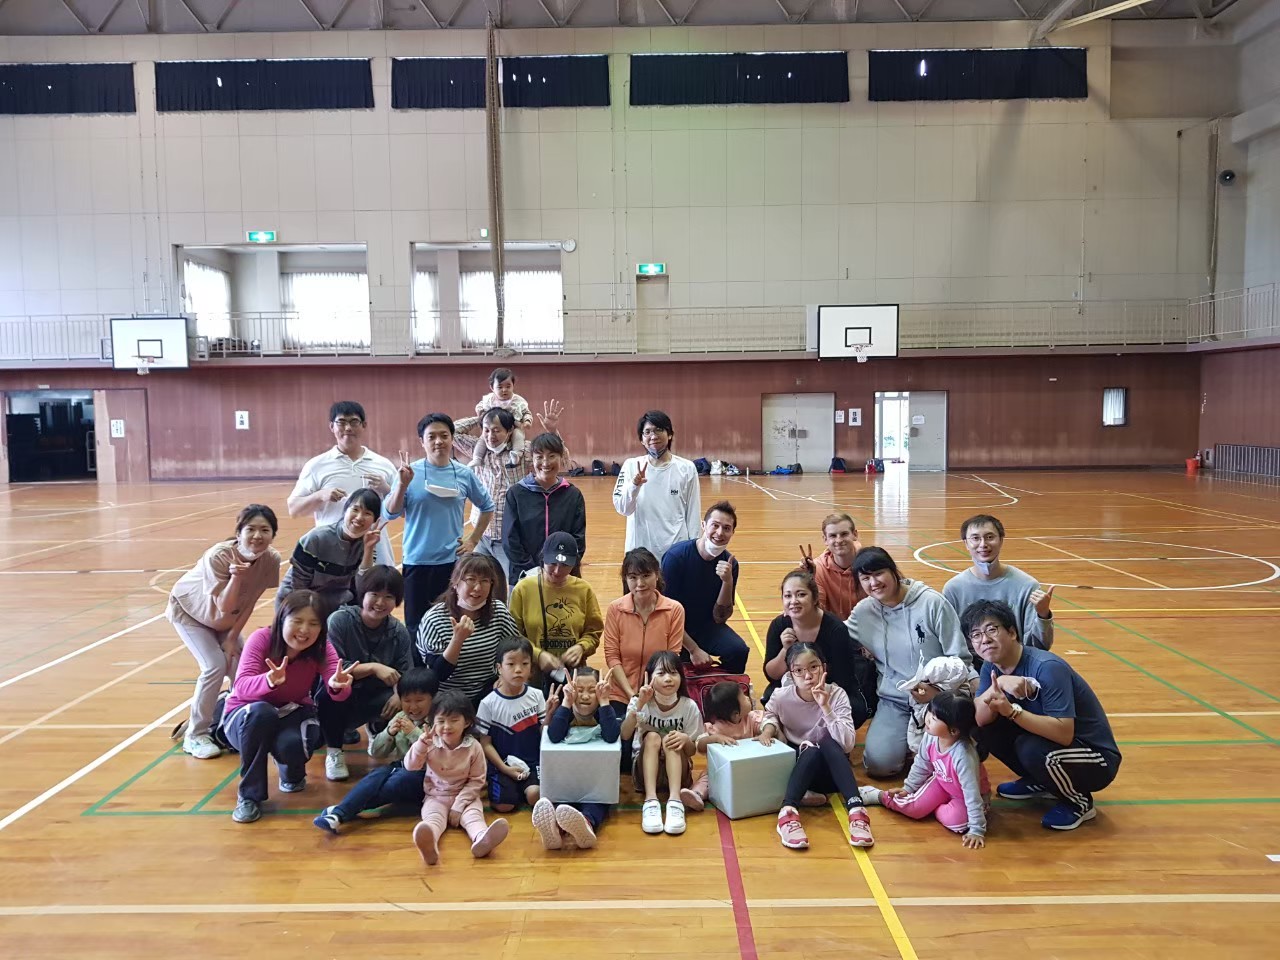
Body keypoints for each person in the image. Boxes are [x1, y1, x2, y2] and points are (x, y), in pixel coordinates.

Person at [966, 599, 1122, 831]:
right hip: (1052, 743)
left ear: (1012, 633)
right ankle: (1042, 782)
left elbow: (1063, 734)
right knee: (985, 728)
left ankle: (1079, 802)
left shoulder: (1047, 667)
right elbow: (979, 719)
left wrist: (1012, 712)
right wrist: (1002, 683)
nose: (985, 640)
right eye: (976, 635)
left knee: (1033, 749)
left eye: (992, 629)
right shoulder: (992, 665)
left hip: (1095, 757)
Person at [221, 589, 356, 824]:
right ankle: (249, 797)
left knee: (294, 746)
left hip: (291, 711)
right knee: (261, 712)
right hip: (246, 716)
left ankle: (291, 770)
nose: (304, 630)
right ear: (282, 618)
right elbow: (241, 686)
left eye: (313, 623)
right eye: (297, 621)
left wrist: (338, 686)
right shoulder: (261, 639)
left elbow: (339, 693)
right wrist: (268, 681)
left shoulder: (322, 648)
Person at [846, 546, 973, 779]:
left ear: (893, 571)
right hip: (893, 701)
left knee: (944, 767)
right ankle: (907, 747)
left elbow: (961, 660)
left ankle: (923, 745)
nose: (873, 583)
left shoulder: (932, 603)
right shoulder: (863, 612)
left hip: (937, 700)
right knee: (879, 765)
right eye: (865, 578)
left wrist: (937, 692)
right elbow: (835, 635)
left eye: (879, 573)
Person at [167, 504, 282, 760]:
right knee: (214, 666)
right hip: (190, 614)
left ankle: (229, 721)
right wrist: (236, 577)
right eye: (250, 529)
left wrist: (232, 638)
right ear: (239, 532)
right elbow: (224, 605)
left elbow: (251, 601)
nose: (257, 536)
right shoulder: (218, 556)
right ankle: (195, 735)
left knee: (242, 669)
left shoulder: (271, 560)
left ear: (273, 535)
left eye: (265, 530)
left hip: (224, 622)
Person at [384, 413, 495, 645]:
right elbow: (390, 513)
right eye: (431, 436)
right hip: (417, 562)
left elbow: (487, 507)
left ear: (452, 439)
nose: (438, 441)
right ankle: (418, 668)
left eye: (444, 436)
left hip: (452, 564)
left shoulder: (464, 474)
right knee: (415, 625)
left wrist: (473, 540)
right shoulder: (409, 473)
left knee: (450, 622)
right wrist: (402, 485)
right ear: (422, 441)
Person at [760, 643, 874, 849]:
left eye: (813, 667)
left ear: (824, 667)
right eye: (799, 670)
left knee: (826, 741)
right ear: (791, 673)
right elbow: (769, 714)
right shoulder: (781, 696)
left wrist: (825, 707)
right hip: (800, 769)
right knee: (811, 750)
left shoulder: (836, 694)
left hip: (832, 771)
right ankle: (788, 813)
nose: (808, 676)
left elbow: (847, 744)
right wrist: (768, 729)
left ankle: (856, 810)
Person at [312, 666, 440, 834]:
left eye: (419, 700)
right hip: (401, 766)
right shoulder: (401, 717)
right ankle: (339, 814)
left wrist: (413, 733)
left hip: (428, 776)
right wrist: (389, 733)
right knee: (377, 774)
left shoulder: (439, 721)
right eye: (407, 700)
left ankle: (342, 810)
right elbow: (376, 753)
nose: (413, 706)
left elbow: (440, 754)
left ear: (433, 698)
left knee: (397, 780)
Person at [316, 565, 414, 781]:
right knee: (329, 694)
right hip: (341, 694)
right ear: (363, 594)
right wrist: (373, 667)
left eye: (388, 597)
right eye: (374, 594)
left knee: (403, 698)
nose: (380, 602)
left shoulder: (398, 631)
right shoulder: (340, 621)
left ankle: (377, 729)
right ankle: (334, 751)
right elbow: (335, 671)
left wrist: (399, 695)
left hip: (375, 694)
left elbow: (406, 672)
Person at [453, 400, 564, 591]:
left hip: (510, 539)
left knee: (516, 589)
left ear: (510, 430)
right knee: (480, 588)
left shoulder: (522, 452)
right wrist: (481, 417)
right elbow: (453, 432)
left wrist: (553, 432)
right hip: (481, 536)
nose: (490, 436)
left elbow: (563, 458)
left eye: (496, 430)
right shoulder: (478, 450)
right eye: (486, 430)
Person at [861, 691, 990, 848]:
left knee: (959, 824)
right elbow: (922, 764)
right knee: (915, 809)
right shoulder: (931, 736)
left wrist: (977, 830)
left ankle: (934, 807)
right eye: (930, 711)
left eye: (934, 718)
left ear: (953, 731)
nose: (927, 718)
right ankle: (879, 796)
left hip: (964, 795)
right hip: (942, 782)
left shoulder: (963, 756)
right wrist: (908, 788)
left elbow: (972, 794)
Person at [403, 690, 510, 864]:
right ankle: (429, 843)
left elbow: (477, 780)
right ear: (433, 722)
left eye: (454, 720)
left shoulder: (474, 747)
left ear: (466, 722)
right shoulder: (428, 743)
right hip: (436, 797)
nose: (447, 726)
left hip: (466, 797)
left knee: (473, 818)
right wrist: (421, 745)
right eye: (441, 721)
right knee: (433, 820)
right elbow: (410, 766)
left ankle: (482, 839)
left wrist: (459, 805)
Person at [287, 400, 398, 566]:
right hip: (331, 554)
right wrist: (320, 495)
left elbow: (404, 509)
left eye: (354, 422)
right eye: (341, 422)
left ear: (364, 425)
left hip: (375, 550)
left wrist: (387, 489)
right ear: (332, 426)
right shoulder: (316, 466)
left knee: (376, 583)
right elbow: (294, 510)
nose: (348, 428)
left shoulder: (383, 465)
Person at [762, 568, 875, 726]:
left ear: (815, 598)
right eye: (788, 596)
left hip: (828, 687)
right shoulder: (779, 625)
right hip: (795, 687)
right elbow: (772, 676)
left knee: (855, 709)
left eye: (801, 594)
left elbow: (843, 678)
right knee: (769, 698)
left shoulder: (835, 629)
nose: (793, 601)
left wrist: (814, 695)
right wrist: (785, 649)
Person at [943, 514, 1055, 663]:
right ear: (966, 543)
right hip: (971, 667)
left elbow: (1040, 647)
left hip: (1015, 666)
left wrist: (1043, 615)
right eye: (975, 538)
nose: (983, 544)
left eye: (990, 537)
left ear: (1001, 540)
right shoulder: (953, 589)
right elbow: (951, 642)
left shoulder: (1027, 585)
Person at [533, 666, 620, 850]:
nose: (585, 696)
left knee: (597, 802)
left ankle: (586, 824)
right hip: (566, 780)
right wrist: (566, 702)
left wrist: (604, 701)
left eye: (592, 690)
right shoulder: (566, 712)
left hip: (596, 782)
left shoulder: (603, 712)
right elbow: (554, 736)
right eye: (579, 690)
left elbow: (612, 736)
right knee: (562, 803)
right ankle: (555, 830)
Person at [416, 554, 520, 707]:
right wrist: (457, 640)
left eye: (485, 581)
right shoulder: (434, 619)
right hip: (448, 700)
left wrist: (505, 676)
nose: (477, 588)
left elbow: (515, 648)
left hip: (488, 693)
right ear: (455, 583)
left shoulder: (498, 611)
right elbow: (437, 674)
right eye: (471, 579)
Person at [620, 651, 703, 836]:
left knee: (671, 739)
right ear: (649, 676)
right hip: (644, 774)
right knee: (652, 737)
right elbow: (625, 734)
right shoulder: (639, 702)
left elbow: (691, 751)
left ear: (681, 677)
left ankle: (675, 801)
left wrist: (685, 739)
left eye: (673, 673)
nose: (668, 678)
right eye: (661, 673)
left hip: (679, 775)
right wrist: (639, 704)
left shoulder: (689, 706)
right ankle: (650, 801)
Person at [661, 501, 749, 674]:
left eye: (726, 528)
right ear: (703, 525)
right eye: (715, 525)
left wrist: (727, 582)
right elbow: (666, 615)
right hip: (673, 629)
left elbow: (720, 617)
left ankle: (724, 688)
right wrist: (694, 649)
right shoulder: (676, 557)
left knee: (738, 651)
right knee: (676, 669)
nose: (720, 533)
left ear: (732, 532)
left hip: (706, 627)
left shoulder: (731, 564)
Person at [602, 548, 686, 725]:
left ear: (657, 575)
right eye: (633, 577)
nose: (640, 583)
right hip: (620, 694)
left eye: (646, 575)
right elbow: (612, 656)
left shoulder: (674, 610)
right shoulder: (615, 609)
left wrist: (650, 693)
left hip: (660, 693)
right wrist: (632, 695)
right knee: (619, 737)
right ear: (626, 579)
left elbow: (672, 657)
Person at [508, 532, 604, 685]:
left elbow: (594, 631)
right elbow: (513, 635)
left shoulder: (583, 590)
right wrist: (537, 655)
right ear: (543, 558)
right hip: (532, 675)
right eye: (552, 563)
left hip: (572, 676)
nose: (558, 571)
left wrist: (581, 647)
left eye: (565, 565)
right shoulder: (523, 589)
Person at [276, 488, 382, 616]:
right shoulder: (316, 538)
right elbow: (299, 585)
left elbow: (363, 586)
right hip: (296, 601)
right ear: (345, 510)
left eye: (367, 513)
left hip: (335, 604)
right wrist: (305, 614)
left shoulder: (368, 543)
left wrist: (369, 548)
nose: (359, 517)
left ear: (375, 520)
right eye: (355, 509)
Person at [611, 410, 701, 561]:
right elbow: (623, 509)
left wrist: (694, 550)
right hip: (640, 553)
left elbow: (693, 514)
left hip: (676, 551)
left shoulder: (687, 468)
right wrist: (634, 485)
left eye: (659, 430)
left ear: (670, 434)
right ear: (641, 439)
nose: (653, 436)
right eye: (647, 432)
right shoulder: (631, 465)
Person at [475, 637, 547, 814]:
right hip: (503, 764)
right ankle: (513, 789)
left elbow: (544, 731)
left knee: (535, 795)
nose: (518, 669)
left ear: (531, 668)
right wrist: (504, 768)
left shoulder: (537, 695)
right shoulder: (488, 703)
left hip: (532, 762)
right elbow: (485, 743)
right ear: (499, 668)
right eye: (511, 664)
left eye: (524, 664)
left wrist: (551, 713)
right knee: (504, 806)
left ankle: (524, 788)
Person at [504, 432, 586, 585]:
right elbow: (510, 539)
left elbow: (578, 540)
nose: (545, 463)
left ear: (561, 457)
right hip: (525, 576)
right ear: (532, 459)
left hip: (562, 575)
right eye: (539, 457)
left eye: (552, 456)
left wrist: (560, 568)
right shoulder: (516, 494)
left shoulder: (573, 495)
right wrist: (532, 570)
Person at [680, 680, 763, 812]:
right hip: (721, 770)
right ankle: (696, 795)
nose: (748, 698)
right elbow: (700, 745)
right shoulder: (715, 728)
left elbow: (766, 723)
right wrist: (715, 738)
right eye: (743, 697)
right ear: (735, 714)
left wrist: (767, 732)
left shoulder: (751, 719)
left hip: (748, 768)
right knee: (707, 779)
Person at [799, 512, 865, 621]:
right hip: (833, 628)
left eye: (844, 534)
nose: (839, 540)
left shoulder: (870, 563)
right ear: (825, 539)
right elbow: (815, 612)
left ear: (855, 534)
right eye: (833, 536)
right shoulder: (817, 568)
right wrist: (809, 581)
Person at [470, 367, 534, 466]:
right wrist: (482, 414)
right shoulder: (489, 399)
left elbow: (526, 412)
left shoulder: (518, 401)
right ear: (492, 388)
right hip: (494, 425)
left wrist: (527, 421)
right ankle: (477, 458)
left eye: (508, 386)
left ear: (513, 386)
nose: (504, 390)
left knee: (518, 435)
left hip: (514, 426)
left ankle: (517, 455)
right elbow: (479, 407)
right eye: (499, 387)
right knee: (483, 438)